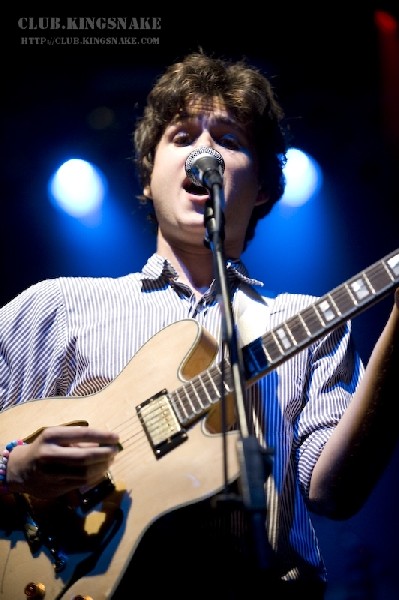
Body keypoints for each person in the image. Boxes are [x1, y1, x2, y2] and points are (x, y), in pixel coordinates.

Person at [0, 50, 398, 600]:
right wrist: (12, 467)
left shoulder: (305, 324)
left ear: (261, 188)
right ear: (148, 174)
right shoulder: (57, 307)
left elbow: (333, 492)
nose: (205, 151)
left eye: (231, 142)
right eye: (183, 137)